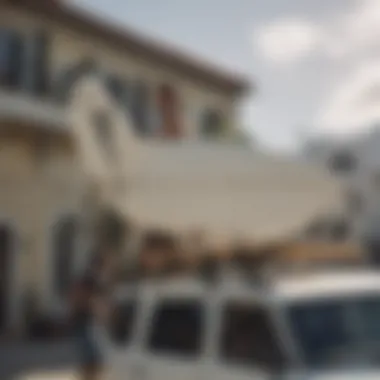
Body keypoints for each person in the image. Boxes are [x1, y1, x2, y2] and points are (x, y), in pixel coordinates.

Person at [69, 254, 111, 380]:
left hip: (90, 325)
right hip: (84, 324)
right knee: (90, 359)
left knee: (93, 360)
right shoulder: (88, 280)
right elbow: (81, 300)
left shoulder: (95, 281)